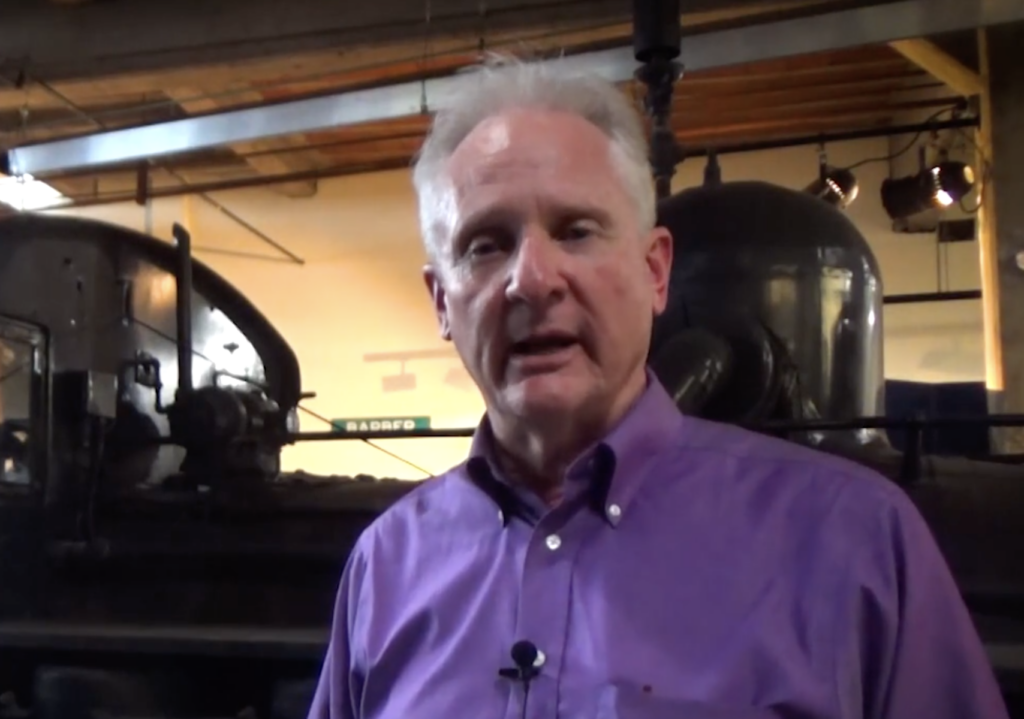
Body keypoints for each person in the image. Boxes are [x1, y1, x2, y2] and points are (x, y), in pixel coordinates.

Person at [307, 56, 1008, 719]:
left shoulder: (854, 543)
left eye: (577, 231)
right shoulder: (385, 566)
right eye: (486, 244)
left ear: (655, 272)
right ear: (440, 302)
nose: (533, 278)